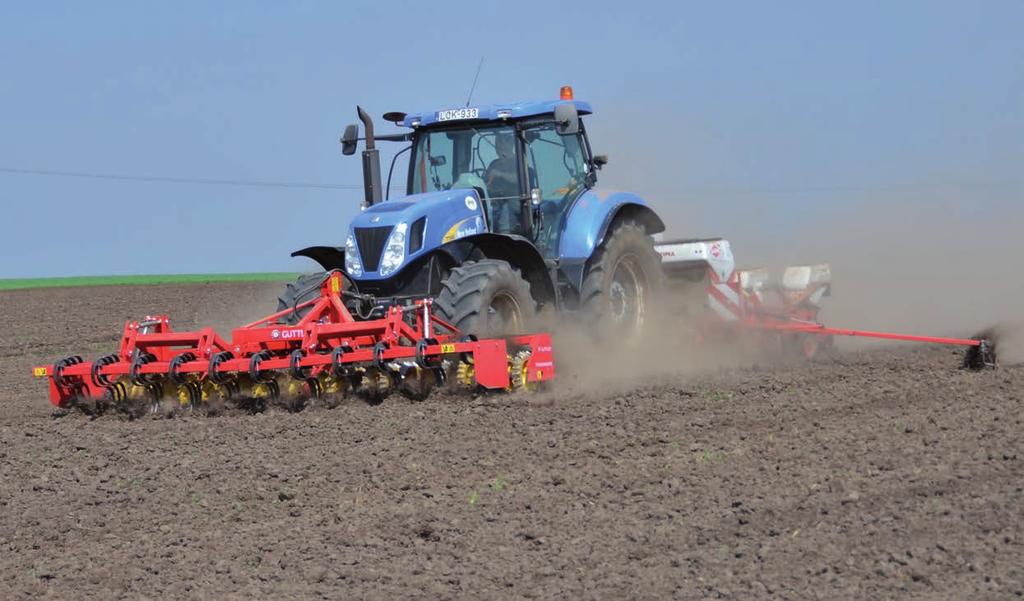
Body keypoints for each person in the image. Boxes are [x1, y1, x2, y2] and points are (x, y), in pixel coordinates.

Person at [485, 132, 521, 232]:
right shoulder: (494, 164)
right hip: (495, 202)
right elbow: (487, 182)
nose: (497, 145)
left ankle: (505, 234)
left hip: (514, 201)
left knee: (505, 209)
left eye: (500, 142)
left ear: (510, 145)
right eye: (497, 142)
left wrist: (500, 174)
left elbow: (518, 178)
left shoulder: (518, 161)